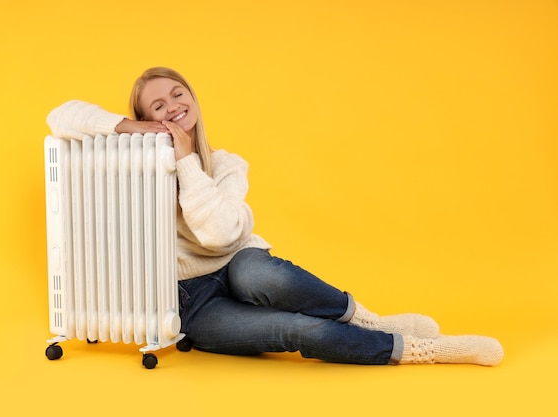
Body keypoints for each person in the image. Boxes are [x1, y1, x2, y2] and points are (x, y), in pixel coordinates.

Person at [46, 66, 504, 366]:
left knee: (262, 271)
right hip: (189, 304)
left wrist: (187, 162)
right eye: (157, 107)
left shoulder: (226, 165)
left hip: (235, 266)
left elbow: (221, 236)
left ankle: (369, 319)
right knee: (297, 330)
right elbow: (60, 116)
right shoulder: (137, 163)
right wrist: (128, 129)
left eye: (178, 94)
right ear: (147, 119)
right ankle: (424, 351)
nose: (172, 108)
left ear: (194, 98)